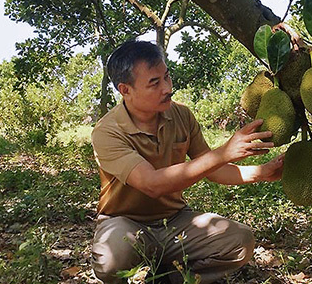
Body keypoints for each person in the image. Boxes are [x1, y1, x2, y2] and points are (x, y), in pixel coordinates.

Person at [91, 40, 285, 284]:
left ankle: (169, 279)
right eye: (155, 83)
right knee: (112, 258)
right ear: (125, 90)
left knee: (240, 240)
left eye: (167, 77)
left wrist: (262, 172)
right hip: (126, 223)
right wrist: (224, 152)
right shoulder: (107, 131)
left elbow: (211, 168)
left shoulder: (181, 115)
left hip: (175, 221)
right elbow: (152, 183)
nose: (167, 88)